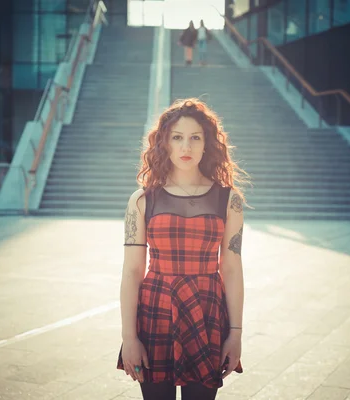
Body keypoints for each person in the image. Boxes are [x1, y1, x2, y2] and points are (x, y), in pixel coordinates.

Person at [117, 98, 248, 400]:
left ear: (207, 144)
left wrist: (236, 333)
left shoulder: (230, 200)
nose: (186, 147)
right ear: (164, 143)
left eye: (195, 138)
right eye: (177, 137)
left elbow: (231, 269)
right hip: (154, 312)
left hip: (207, 314)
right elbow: (133, 271)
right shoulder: (141, 200)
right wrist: (129, 336)